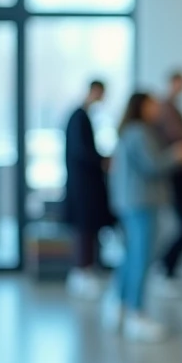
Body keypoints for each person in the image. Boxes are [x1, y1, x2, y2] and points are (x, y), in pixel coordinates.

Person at [107, 92, 182, 342]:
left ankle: (122, 306)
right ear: (141, 107)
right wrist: (176, 155)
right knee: (140, 258)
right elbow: (153, 165)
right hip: (142, 202)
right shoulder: (140, 133)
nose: (157, 110)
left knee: (132, 255)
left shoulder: (130, 131)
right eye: (152, 105)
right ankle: (137, 314)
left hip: (132, 202)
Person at [63, 80, 113, 300]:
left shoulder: (83, 116)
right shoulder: (79, 117)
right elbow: (81, 151)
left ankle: (86, 271)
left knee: (89, 228)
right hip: (82, 185)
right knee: (85, 229)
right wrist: (101, 161)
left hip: (85, 184)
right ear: (93, 91)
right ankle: (82, 272)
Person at [152, 69, 182, 290]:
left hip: (181, 172)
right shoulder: (164, 109)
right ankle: (165, 266)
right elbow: (174, 143)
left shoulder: (175, 108)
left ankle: (167, 267)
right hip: (174, 174)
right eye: (179, 83)